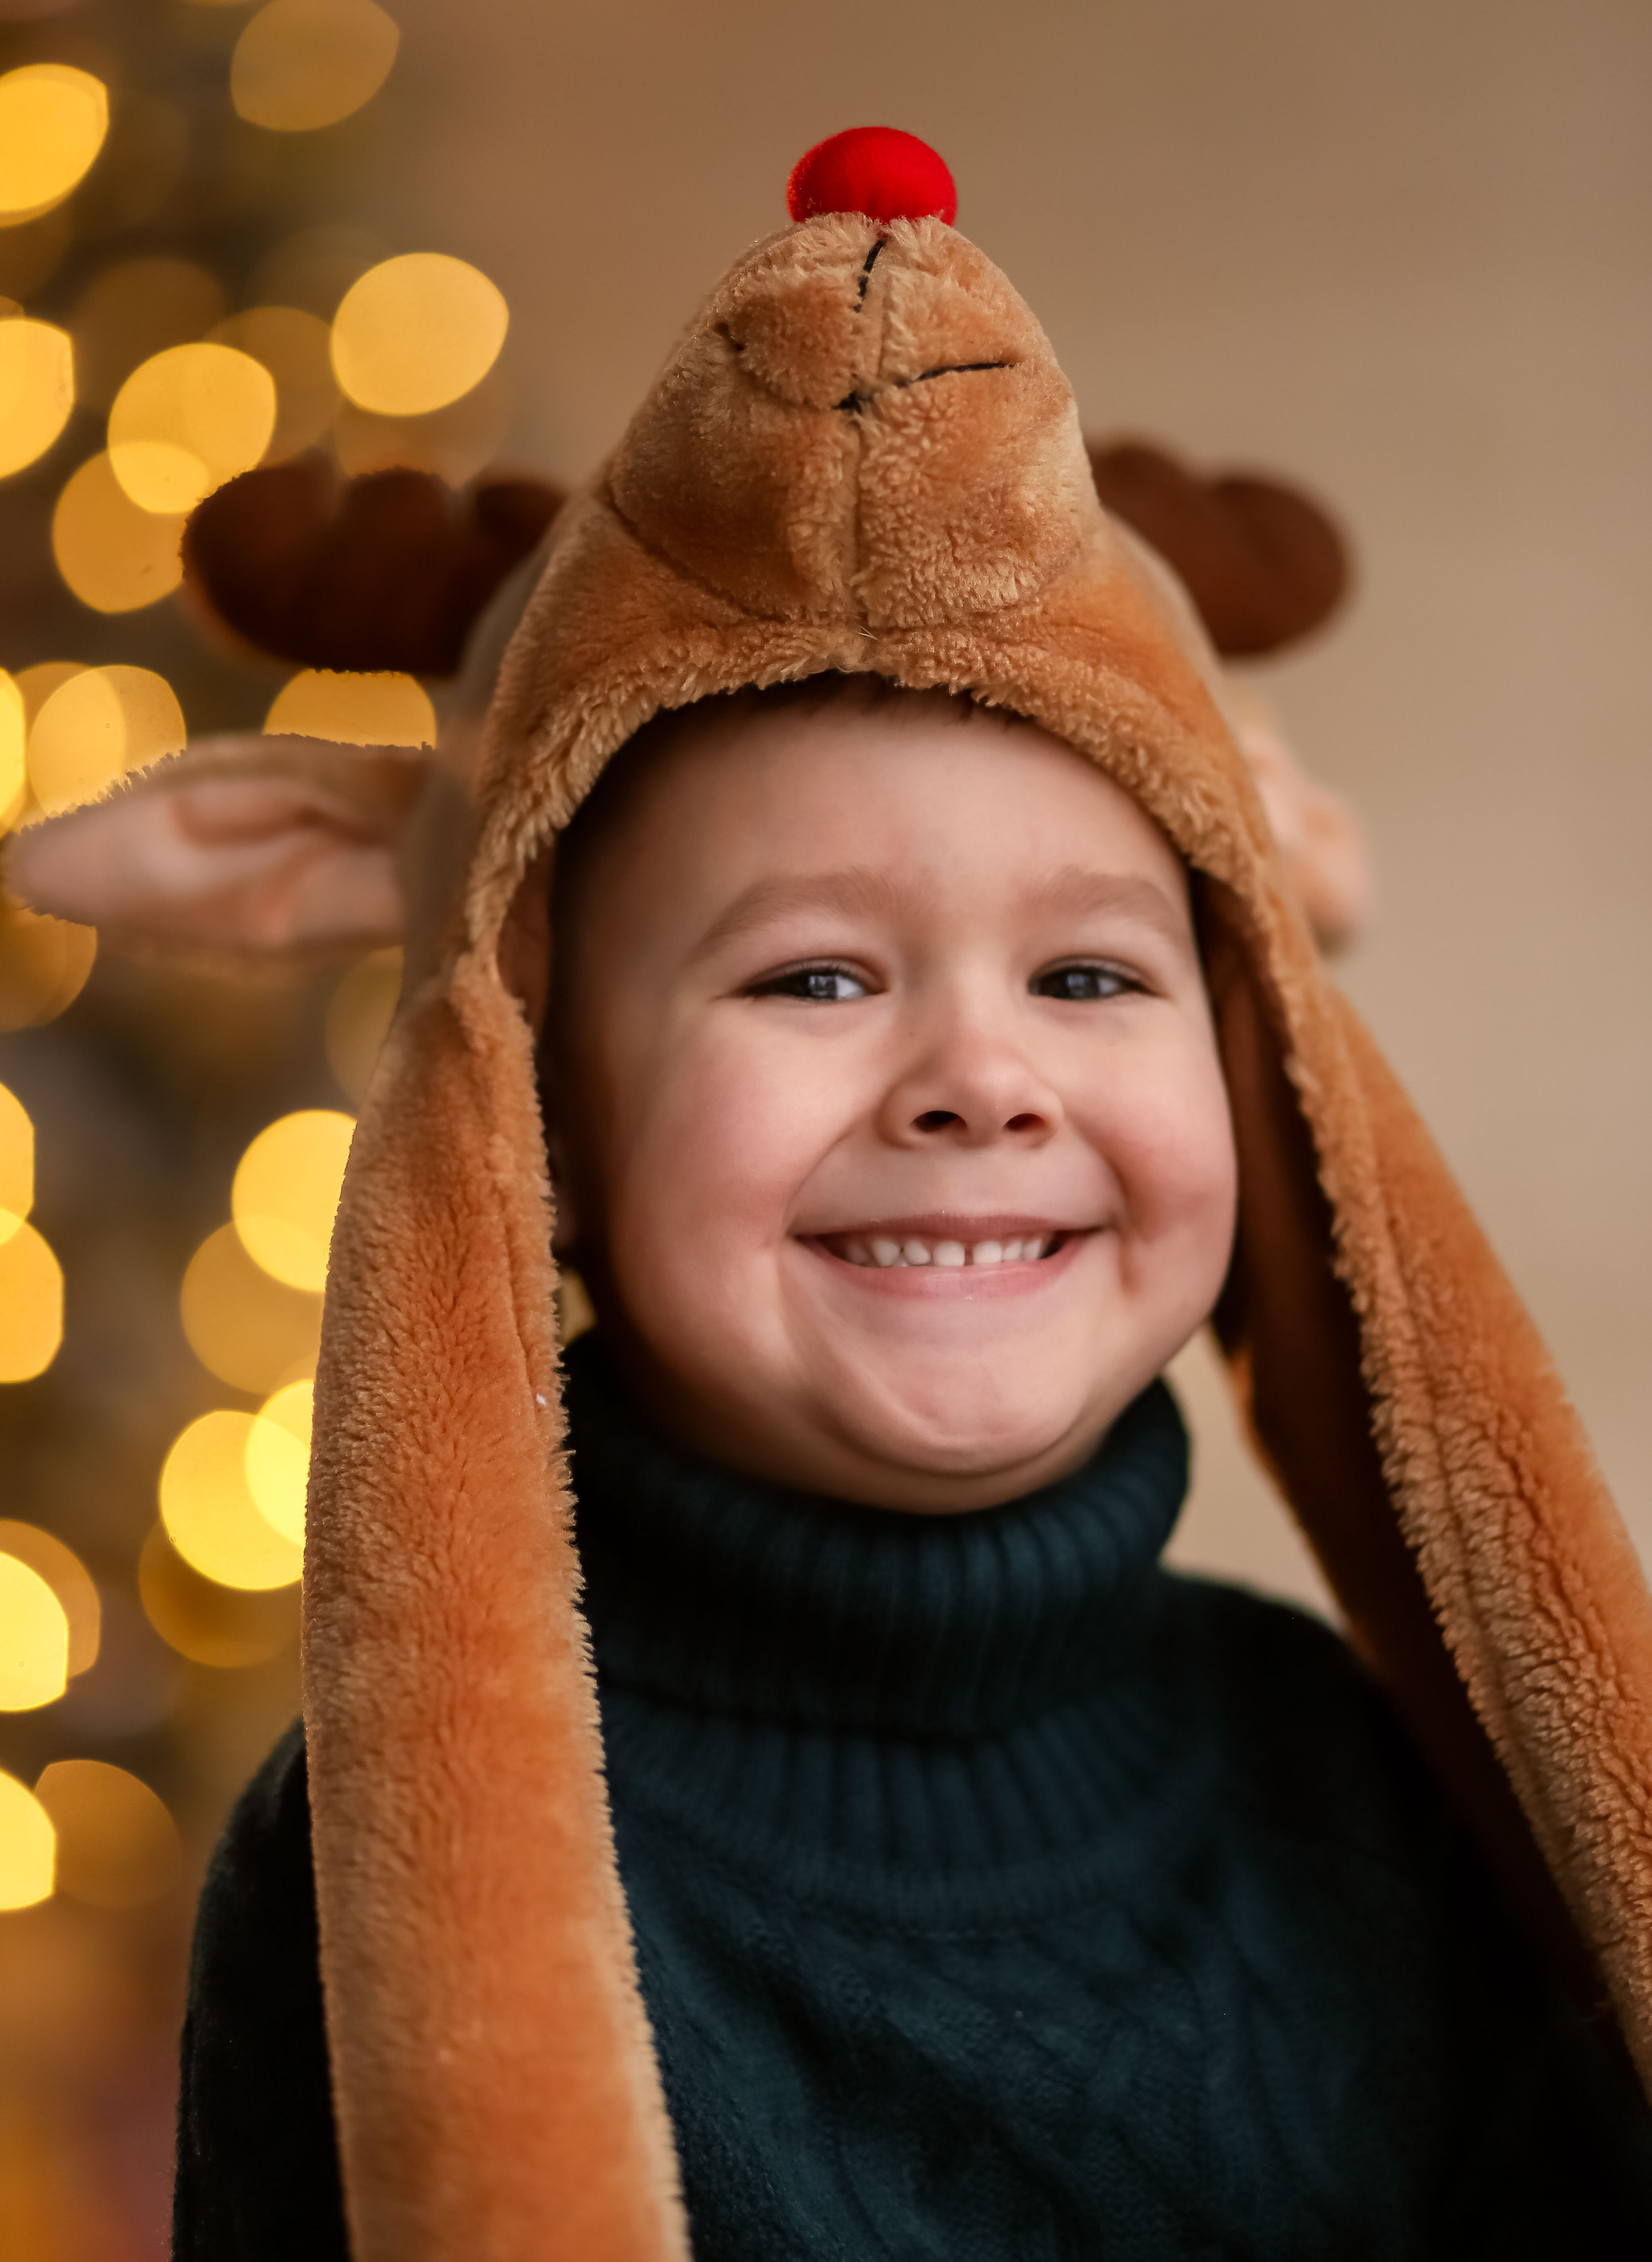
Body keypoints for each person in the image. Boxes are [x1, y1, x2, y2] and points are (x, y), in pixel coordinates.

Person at [17, 126, 1652, 2262]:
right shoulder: (385, 1871)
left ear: (1259, 1074)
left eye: (1088, 973)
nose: (980, 1078)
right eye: (812, 974)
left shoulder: (1359, 1786)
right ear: (551, 1133)